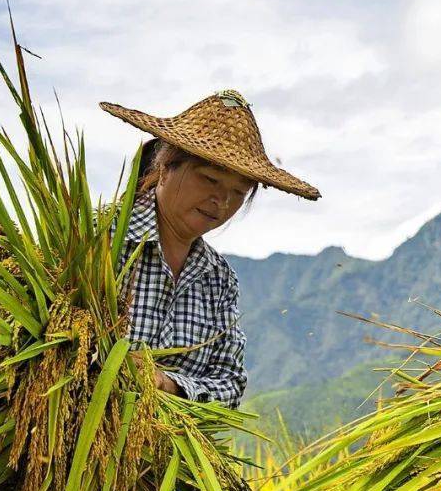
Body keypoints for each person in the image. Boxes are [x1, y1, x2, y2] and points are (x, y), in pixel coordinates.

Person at [100, 88, 320, 408]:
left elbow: (230, 383)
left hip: (169, 440)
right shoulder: (101, 238)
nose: (222, 201)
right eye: (210, 179)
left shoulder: (218, 279)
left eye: (238, 192)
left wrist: (169, 385)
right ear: (165, 168)